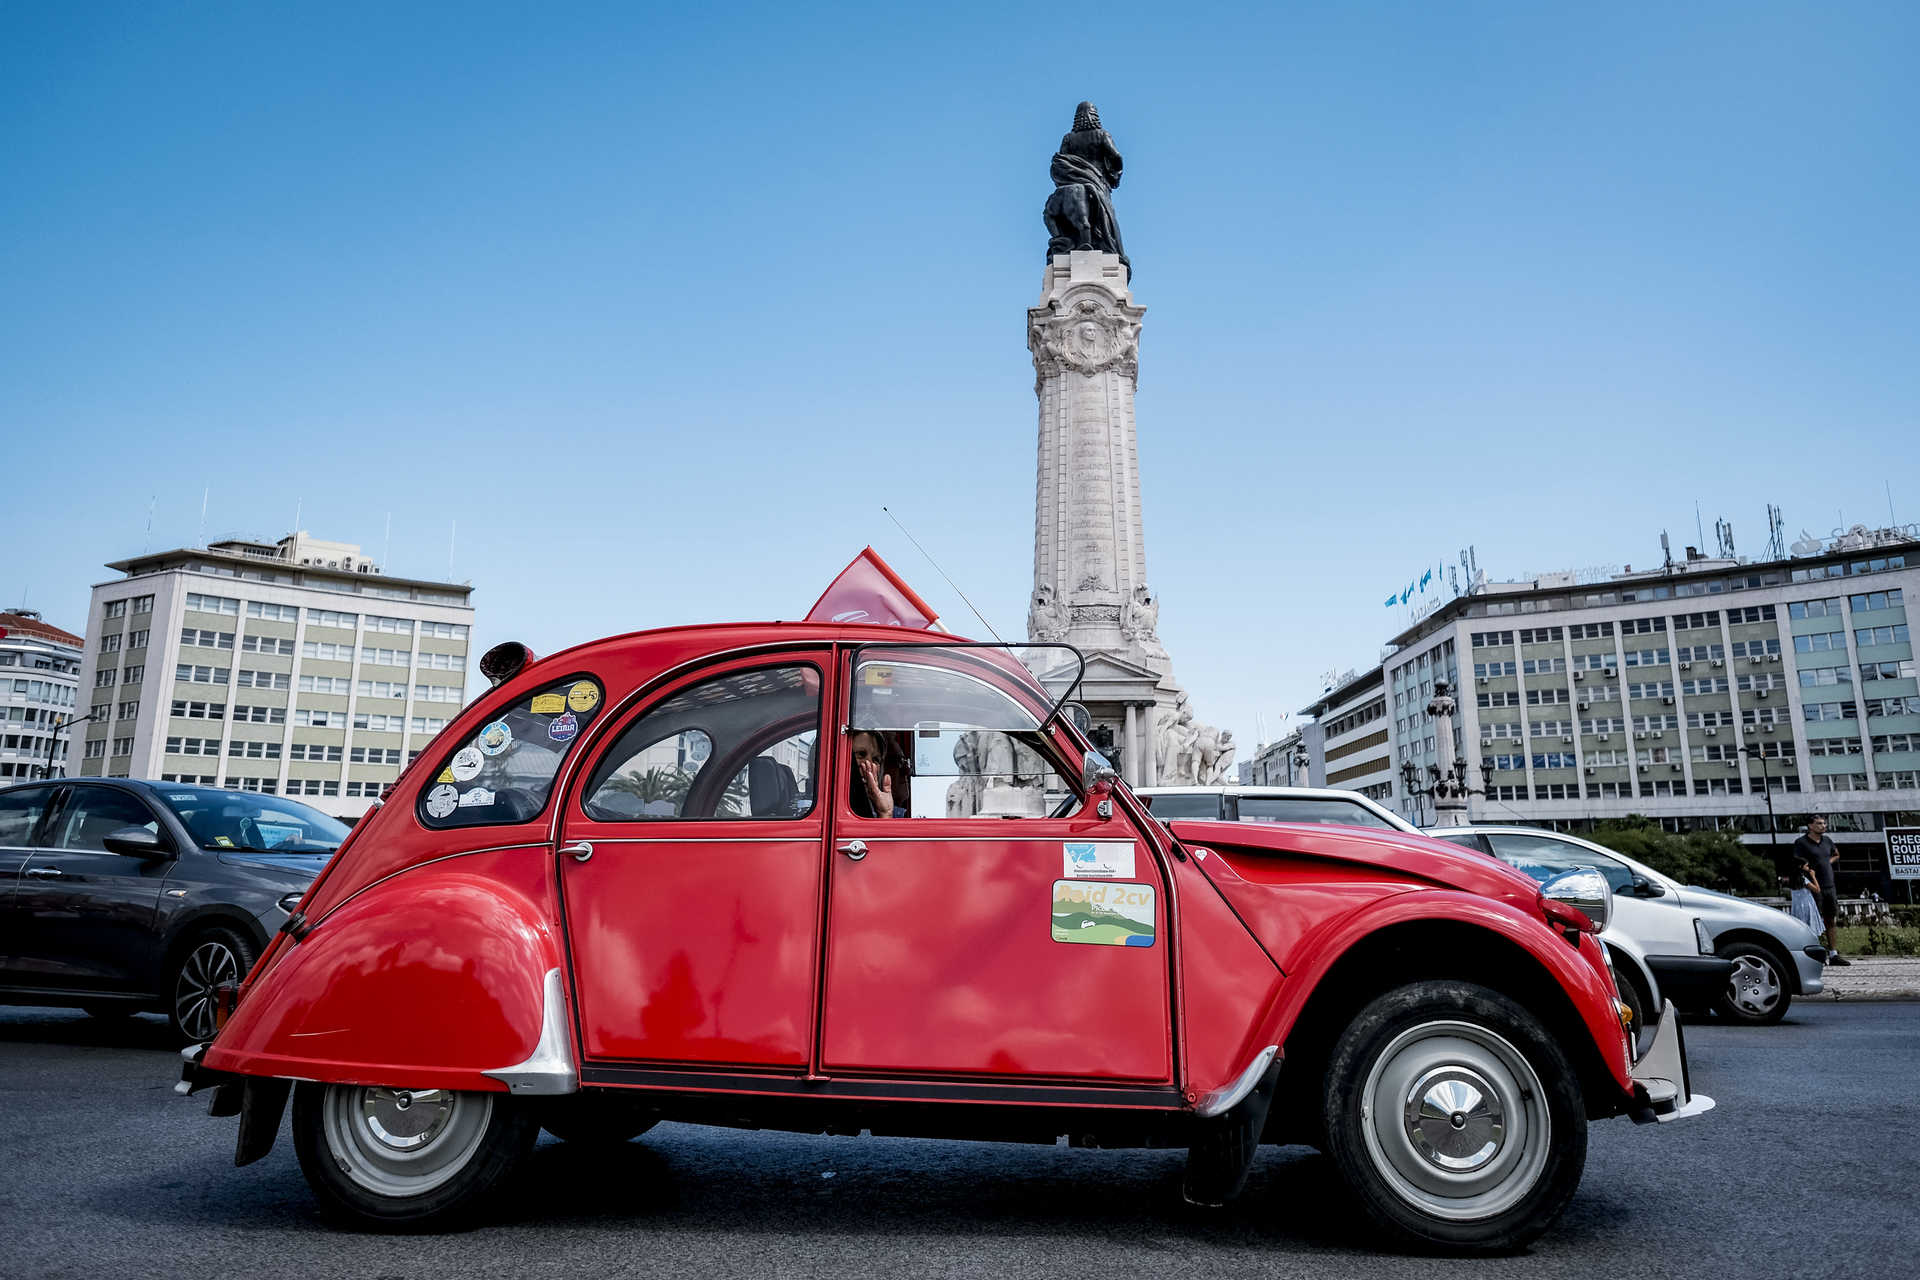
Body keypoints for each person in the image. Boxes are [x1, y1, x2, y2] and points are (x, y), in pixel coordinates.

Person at [1792, 815, 1850, 965]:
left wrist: (1827, 862)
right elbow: (1796, 863)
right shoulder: (1801, 843)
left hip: (1829, 885)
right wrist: (1809, 873)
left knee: (1830, 919)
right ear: (1810, 826)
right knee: (1813, 921)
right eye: (1819, 823)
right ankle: (1814, 953)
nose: (1823, 826)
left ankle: (1833, 954)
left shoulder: (1827, 841)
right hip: (1813, 887)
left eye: (1824, 823)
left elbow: (1836, 854)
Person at [849, 729, 906, 819]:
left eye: (876, 759)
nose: (870, 764)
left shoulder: (896, 815)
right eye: (861, 754)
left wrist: (885, 813)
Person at [1788, 857, 1824, 935]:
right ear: (1800, 866)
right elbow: (1817, 890)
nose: (1808, 867)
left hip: (1797, 907)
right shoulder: (1803, 879)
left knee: (1799, 929)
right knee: (1810, 928)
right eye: (1806, 866)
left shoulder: (1792, 879)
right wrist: (1813, 876)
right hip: (1807, 906)